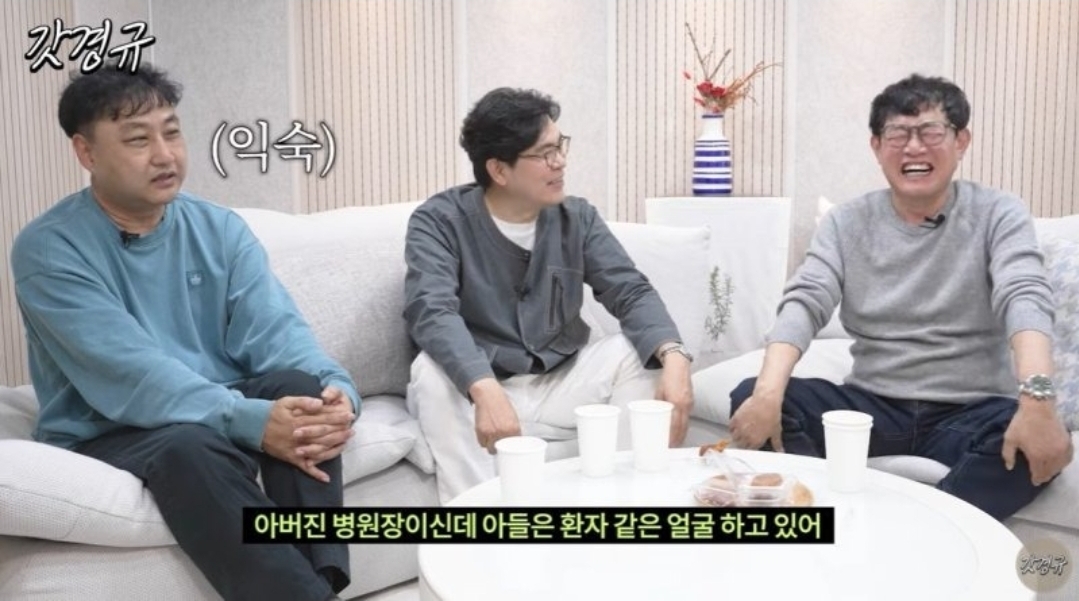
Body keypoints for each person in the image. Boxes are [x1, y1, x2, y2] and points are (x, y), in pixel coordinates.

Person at [10, 61, 357, 601]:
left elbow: (278, 331)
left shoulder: (219, 228)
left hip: (212, 401)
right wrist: (249, 420)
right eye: (137, 140)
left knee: (301, 389)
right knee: (188, 445)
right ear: (86, 152)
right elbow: (130, 376)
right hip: (108, 425)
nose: (164, 155)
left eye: (171, 132)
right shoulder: (50, 249)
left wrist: (339, 394)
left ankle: (319, 588)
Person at [728, 74, 1073, 520]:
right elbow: (805, 300)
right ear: (876, 146)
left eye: (931, 131)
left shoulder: (998, 212)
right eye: (897, 134)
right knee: (751, 395)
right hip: (872, 407)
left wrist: (1038, 401)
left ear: (961, 141)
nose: (913, 147)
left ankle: (922, 530)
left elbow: (1024, 295)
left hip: (970, 411)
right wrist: (768, 394)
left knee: (1034, 444)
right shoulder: (846, 222)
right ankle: (827, 516)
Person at [404, 87, 694, 502]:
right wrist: (483, 386)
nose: (560, 162)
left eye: (560, 146)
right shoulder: (439, 221)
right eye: (544, 154)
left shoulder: (578, 217)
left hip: (560, 381)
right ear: (499, 170)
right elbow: (431, 311)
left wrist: (675, 356)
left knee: (639, 353)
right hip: (478, 386)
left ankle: (625, 506)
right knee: (430, 372)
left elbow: (629, 290)